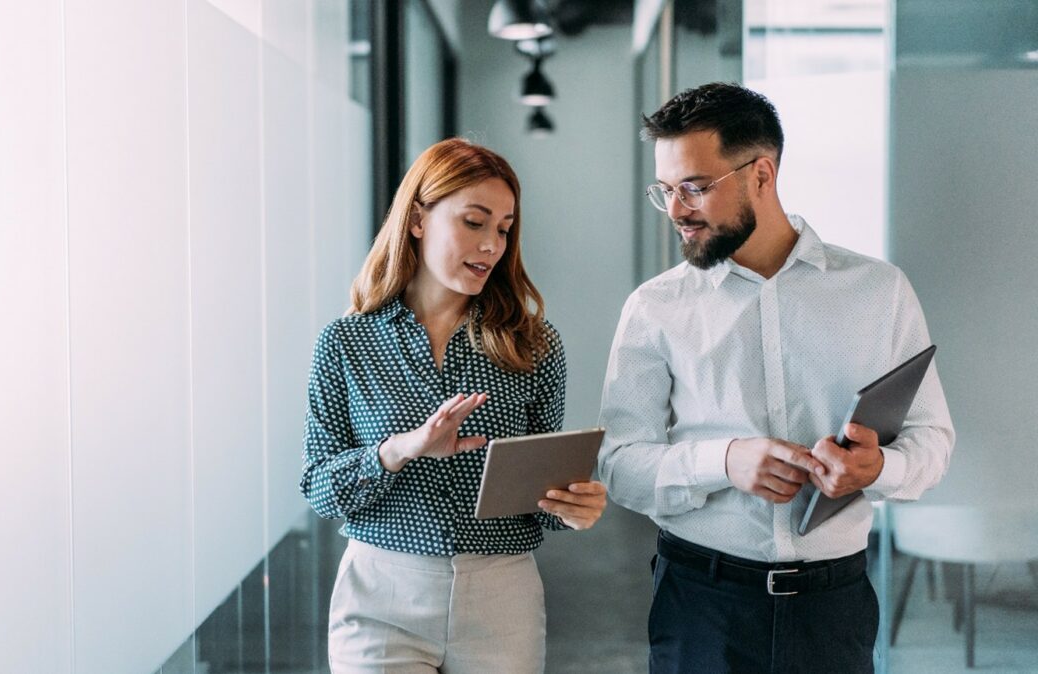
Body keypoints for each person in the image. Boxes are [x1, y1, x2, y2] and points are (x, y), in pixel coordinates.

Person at [598, 83, 954, 673]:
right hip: (701, 606)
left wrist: (880, 467)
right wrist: (726, 460)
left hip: (834, 608)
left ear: (761, 174)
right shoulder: (654, 307)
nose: (678, 210)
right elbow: (619, 466)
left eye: (694, 187)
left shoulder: (879, 291)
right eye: (666, 191)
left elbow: (932, 440)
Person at [301, 138, 607, 673]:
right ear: (418, 219)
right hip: (380, 595)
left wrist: (573, 506)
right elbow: (320, 490)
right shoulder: (346, 343)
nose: (492, 244)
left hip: (500, 595)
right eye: (474, 221)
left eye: (504, 229)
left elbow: (542, 498)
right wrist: (399, 450)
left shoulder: (534, 345)